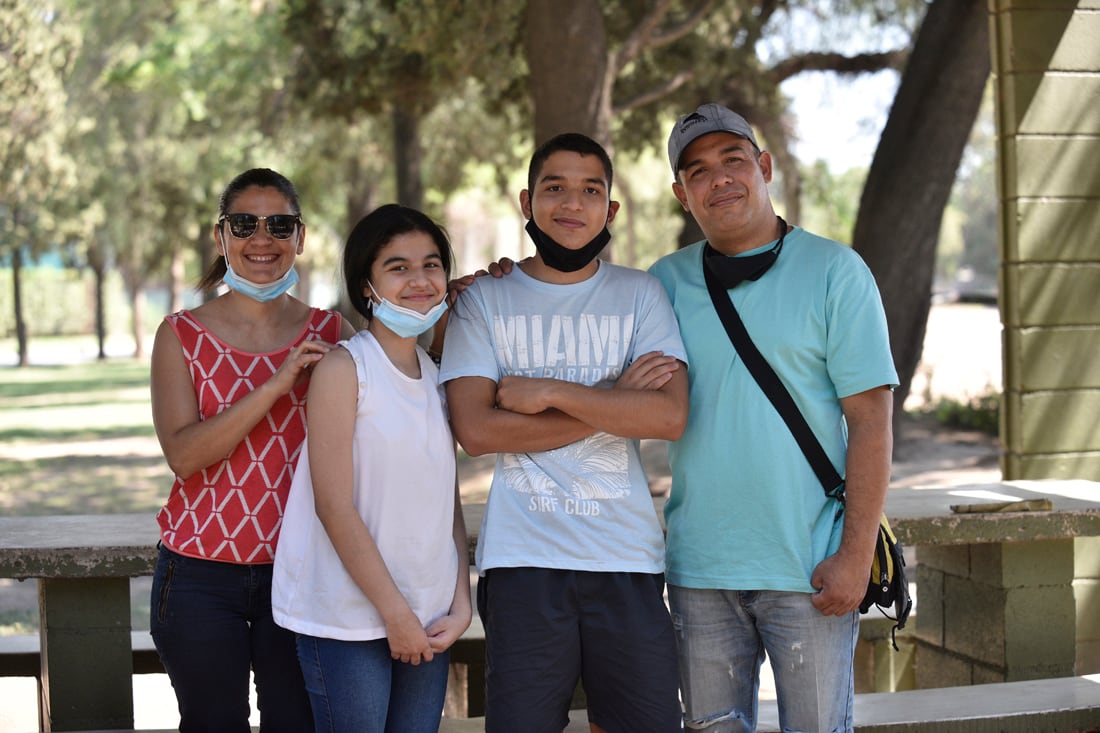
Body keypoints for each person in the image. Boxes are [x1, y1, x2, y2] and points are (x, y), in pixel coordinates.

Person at [648, 103, 898, 732]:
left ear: (762, 166)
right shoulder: (663, 285)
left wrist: (855, 553)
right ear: (683, 194)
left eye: (733, 160)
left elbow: (870, 420)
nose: (719, 178)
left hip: (809, 567)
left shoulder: (836, 272)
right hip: (701, 569)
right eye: (698, 170)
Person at [441, 132, 689, 733]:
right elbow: (475, 429)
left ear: (611, 210)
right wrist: (614, 400)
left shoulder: (641, 293)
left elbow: (667, 417)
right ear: (528, 202)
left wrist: (548, 393)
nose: (572, 204)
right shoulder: (485, 299)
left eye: (590, 190)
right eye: (555, 188)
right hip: (524, 561)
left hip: (626, 559)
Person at [150, 167, 354, 731]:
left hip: (301, 570)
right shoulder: (180, 335)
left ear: (300, 237)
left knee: (298, 723)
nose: (261, 239)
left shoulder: (333, 333)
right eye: (245, 224)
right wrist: (275, 385)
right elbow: (185, 455)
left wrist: (467, 293)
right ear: (221, 237)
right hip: (197, 576)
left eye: (278, 224)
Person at [271, 204, 472, 733]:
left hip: (429, 617)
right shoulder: (344, 368)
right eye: (398, 267)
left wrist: (460, 601)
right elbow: (333, 505)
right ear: (367, 284)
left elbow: (443, 497)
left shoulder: (435, 372)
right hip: (349, 619)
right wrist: (394, 615)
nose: (420, 280)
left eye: (431, 265)